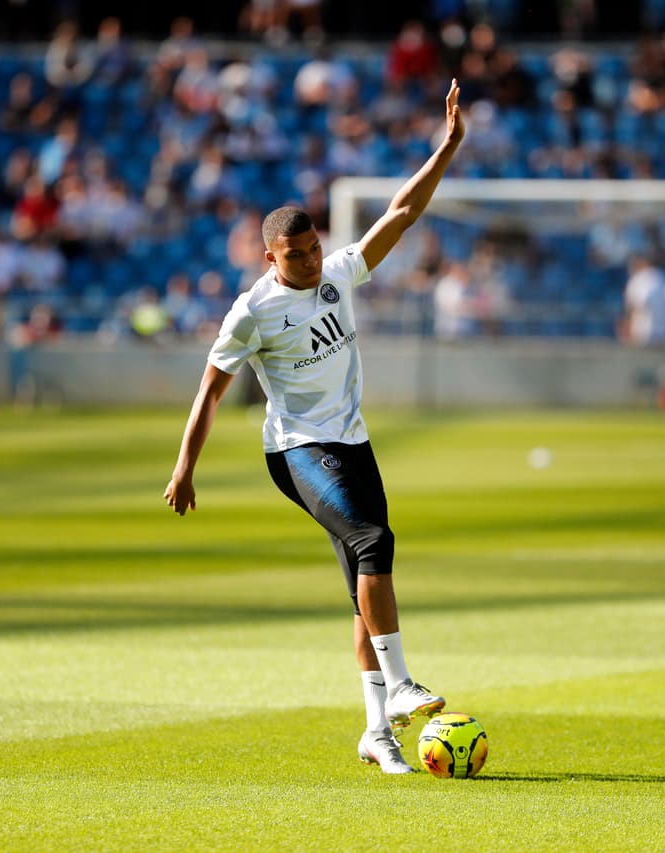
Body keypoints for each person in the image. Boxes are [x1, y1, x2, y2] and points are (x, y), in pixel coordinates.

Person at [164, 80, 467, 776]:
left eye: (312, 248)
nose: (307, 261)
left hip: (352, 443)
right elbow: (212, 389)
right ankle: (398, 686)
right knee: (373, 538)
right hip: (298, 449)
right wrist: (185, 466)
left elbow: (402, 211)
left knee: (364, 584)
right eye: (293, 255)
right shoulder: (252, 311)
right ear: (270, 257)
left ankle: (375, 734)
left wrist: (446, 146)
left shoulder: (337, 275)